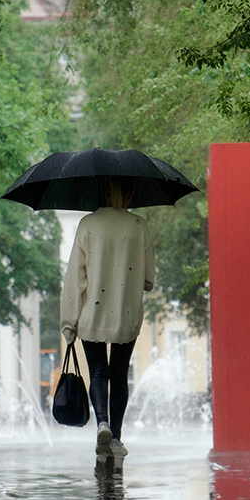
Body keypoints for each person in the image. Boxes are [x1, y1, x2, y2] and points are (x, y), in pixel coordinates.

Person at [61, 176, 155, 466]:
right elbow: (149, 280)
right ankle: (115, 437)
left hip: (93, 312)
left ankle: (101, 423)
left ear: (103, 191)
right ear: (128, 194)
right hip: (126, 313)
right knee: (119, 372)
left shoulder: (88, 224)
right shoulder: (139, 225)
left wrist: (69, 321)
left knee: (98, 371)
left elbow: (75, 277)